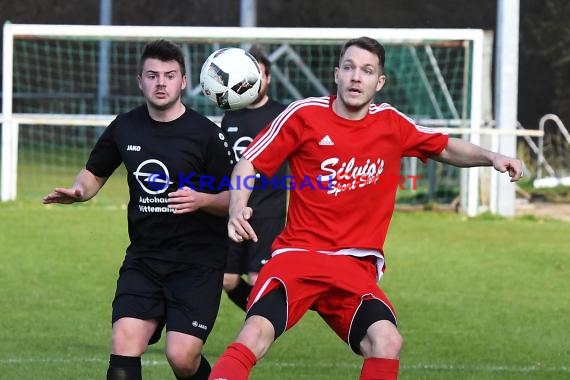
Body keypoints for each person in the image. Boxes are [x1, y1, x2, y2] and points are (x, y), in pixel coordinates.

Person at [208, 36, 523, 380]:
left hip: (354, 266)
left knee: (386, 340)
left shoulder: (392, 123)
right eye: (350, 68)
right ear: (337, 75)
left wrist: (493, 157)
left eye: (367, 70)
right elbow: (248, 163)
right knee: (254, 334)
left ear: (379, 82)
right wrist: (237, 206)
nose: (357, 77)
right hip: (299, 255)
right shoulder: (304, 114)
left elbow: (445, 147)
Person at [43, 39, 233, 380]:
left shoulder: (206, 135)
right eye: (152, 75)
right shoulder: (125, 126)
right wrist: (79, 191)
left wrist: (203, 200)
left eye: (169, 75)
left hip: (197, 262)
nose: (161, 83)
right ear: (140, 81)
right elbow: (94, 172)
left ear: (184, 81)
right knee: (125, 340)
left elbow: (236, 197)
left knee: (182, 357)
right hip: (145, 258)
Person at [220, 45, 288, 311]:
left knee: (259, 278)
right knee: (227, 280)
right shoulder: (231, 115)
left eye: (260, 75)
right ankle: (264, 315)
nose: (256, 81)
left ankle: (259, 325)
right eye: (250, 76)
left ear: (268, 78)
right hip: (235, 208)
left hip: (268, 210)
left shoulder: (282, 115)